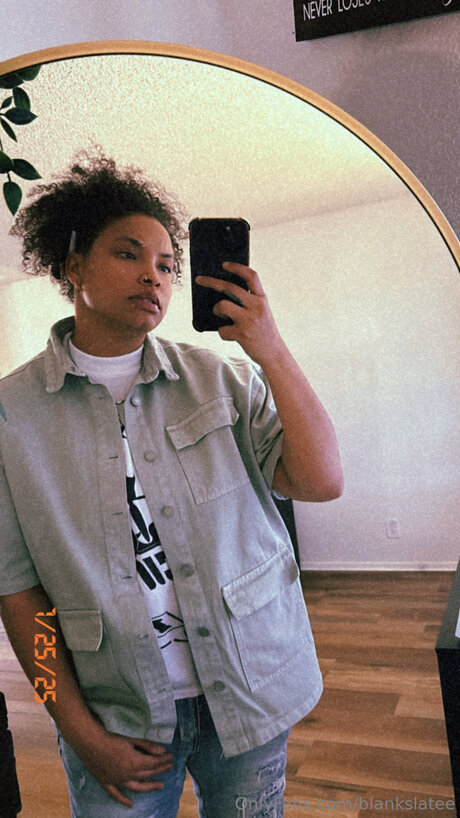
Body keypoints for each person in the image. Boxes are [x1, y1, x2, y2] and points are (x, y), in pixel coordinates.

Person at [0, 153, 343, 818]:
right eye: (128, 254)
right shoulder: (13, 416)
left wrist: (270, 350)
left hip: (250, 691)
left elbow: (321, 480)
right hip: (116, 715)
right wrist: (78, 733)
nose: (152, 276)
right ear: (73, 267)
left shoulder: (221, 379)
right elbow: (18, 594)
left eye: (165, 264)